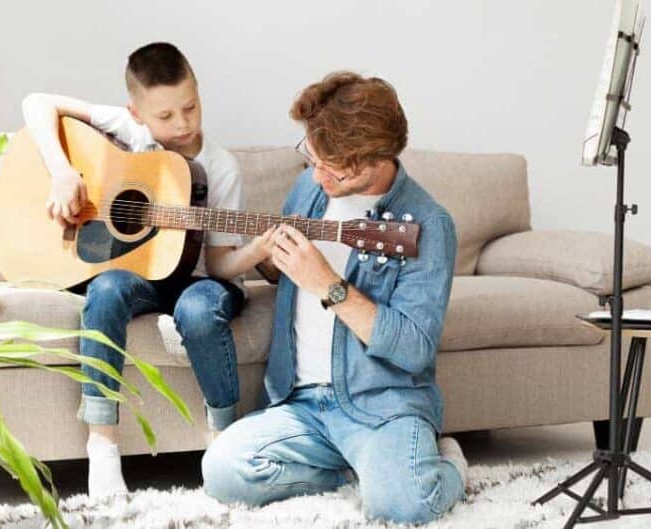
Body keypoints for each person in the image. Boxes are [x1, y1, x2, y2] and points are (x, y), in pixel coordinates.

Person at [201, 71, 468, 524]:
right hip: (301, 403)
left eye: (331, 166)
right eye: (311, 156)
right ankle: (359, 469)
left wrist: (329, 284)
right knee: (221, 473)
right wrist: (270, 256)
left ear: (375, 160)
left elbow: (413, 348)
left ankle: (448, 465)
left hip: (381, 405)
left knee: (404, 507)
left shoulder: (428, 224)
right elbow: (284, 277)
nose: (316, 173)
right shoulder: (309, 187)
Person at [22, 42, 276, 498]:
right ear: (136, 113)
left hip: (203, 281)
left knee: (199, 311)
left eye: (190, 108)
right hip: (140, 275)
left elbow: (220, 264)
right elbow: (36, 103)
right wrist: (62, 171)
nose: (182, 124)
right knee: (106, 288)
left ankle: (221, 437)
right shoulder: (125, 130)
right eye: (165, 116)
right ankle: (102, 444)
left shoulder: (221, 167)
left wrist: (257, 250)